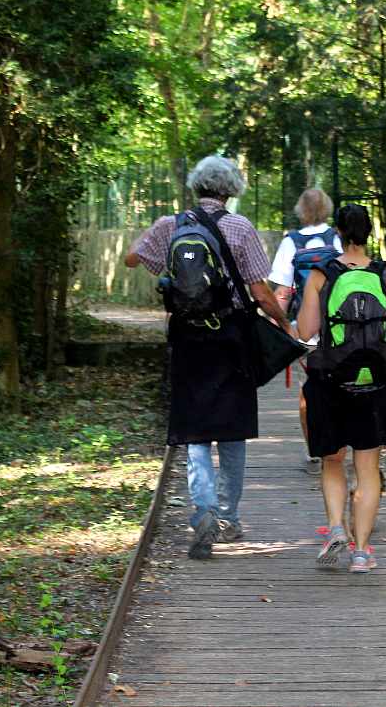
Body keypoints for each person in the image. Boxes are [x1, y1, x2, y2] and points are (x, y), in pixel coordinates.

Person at [124, 156, 294, 559]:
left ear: (197, 186)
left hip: (187, 338)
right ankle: (229, 518)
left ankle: (202, 512)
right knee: (232, 430)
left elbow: (133, 258)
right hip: (231, 336)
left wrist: (166, 270)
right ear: (230, 189)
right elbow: (261, 292)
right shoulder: (240, 227)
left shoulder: (171, 226)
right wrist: (284, 327)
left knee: (195, 429)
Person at [297, 204, 386, 573]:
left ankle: (334, 528)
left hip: (331, 381)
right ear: (369, 234)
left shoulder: (321, 274)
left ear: (339, 234)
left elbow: (305, 331)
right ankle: (361, 552)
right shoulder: (385, 274)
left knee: (333, 460)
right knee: (367, 467)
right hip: (375, 384)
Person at [268, 188, 342, 475]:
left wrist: (278, 327)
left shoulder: (291, 242)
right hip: (338, 328)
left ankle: (314, 449)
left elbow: (283, 292)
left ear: (301, 210)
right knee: (338, 384)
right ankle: (337, 443)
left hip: (305, 330)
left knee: (308, 389)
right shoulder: (336, 239)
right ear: (326, 208)